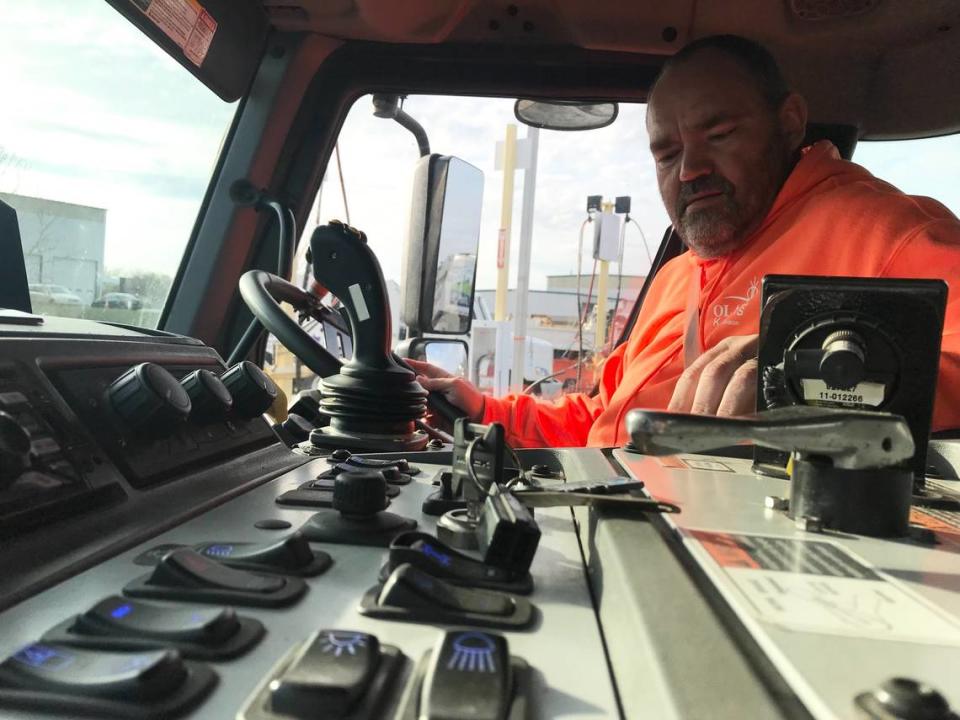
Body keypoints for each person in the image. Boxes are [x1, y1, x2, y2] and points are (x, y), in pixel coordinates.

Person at [409, 34, 960, 448]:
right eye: (667, 153)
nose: (691, 169)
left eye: (719, 135)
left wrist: (806, 381)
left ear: (790, 123)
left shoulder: (885, 232)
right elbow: (605, 417)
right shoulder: (680, 275)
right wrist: (481, 408)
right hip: (612, 527)